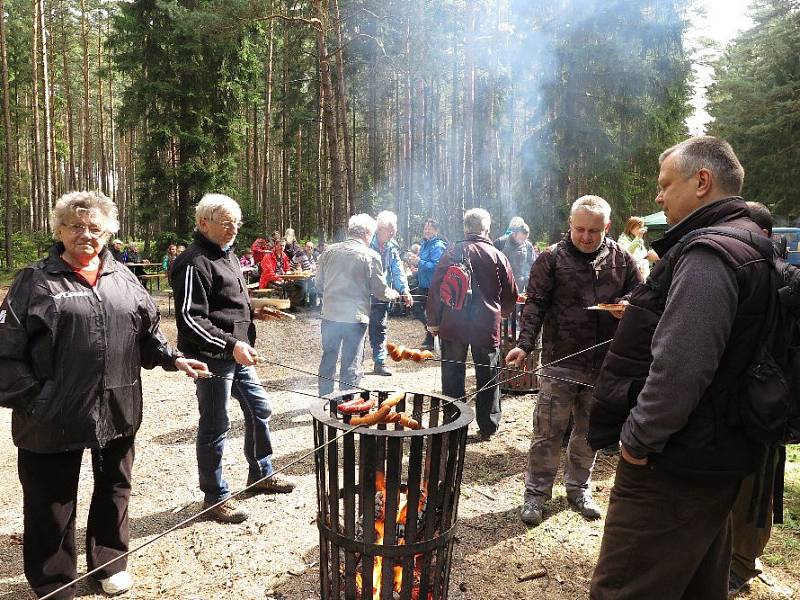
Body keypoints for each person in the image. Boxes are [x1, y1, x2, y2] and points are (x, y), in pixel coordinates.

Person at [588, 136, 771, 599]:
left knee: (623, 589)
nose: (658, 196)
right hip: (717, 456)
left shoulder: (709, 253)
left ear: (703, 182)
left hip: (674, 465)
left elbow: (681, 370)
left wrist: (637, 442)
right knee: (695, 585)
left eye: (666, 184)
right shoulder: (753, 243)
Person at [0, 191, 206, 600]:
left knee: (115, 487)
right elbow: (6, 351)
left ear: (109, 232)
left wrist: (173, 358)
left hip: (118, 406)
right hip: (50, 415)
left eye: (95, 228)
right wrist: (36, 399)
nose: (85, 235)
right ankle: (54, 579)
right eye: (76, 226)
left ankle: (110, 562)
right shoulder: (35, 280)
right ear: (59, 230)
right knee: (51, 500)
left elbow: (146, 334)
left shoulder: (124, 277)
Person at [505, 195, 642, 527]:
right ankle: (535, 494)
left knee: (588, 433)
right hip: (559, 361)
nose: (585, 236)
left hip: (604, 365)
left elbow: (642, 294)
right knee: (548, 432)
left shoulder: (623, 259)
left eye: (593, 231)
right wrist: (524, 346)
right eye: (580, 229)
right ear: (570, 224)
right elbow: (534, 304)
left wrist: (626, 304)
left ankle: (578, 490)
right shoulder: (551, 258)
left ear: (606, 227)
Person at [172, 193, 296, 525]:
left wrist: (256, 311)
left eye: (236, 224)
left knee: (260, 408)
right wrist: (231, 345)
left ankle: (261, 472)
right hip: (211, 358)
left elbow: (228, 304)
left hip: (236, 354)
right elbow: (191, 319)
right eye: (226, 223)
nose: (233, 229)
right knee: (216, 424)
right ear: (203, 223)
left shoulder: (228, 256)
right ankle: (214, 496)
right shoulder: (192, 262)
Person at [427, 208, 517, 440]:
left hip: (453, 323)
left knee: (452, 374)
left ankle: (454, 422)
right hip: (485, 326)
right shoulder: (497, 255)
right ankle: (488, 425)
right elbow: (510, 293)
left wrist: (434, 321)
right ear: (487, 229)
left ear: (465, 228)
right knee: (488, 375)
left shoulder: (451, 252)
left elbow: (436, 289)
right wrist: (504, 313)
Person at [729, 200, 777, 597]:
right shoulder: (749, 273)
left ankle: (743, 562)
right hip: (739, 404)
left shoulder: (779, 278)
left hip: (766, 406)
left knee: (755, 488)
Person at [315, 214, 399, 396]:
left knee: (328, 358)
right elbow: (381, 292)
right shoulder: (370, 255)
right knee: (351, 363)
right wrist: (393, 294)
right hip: (355, 318)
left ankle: (324, 401)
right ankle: (346, 405)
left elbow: (318, 284)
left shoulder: (328, 252)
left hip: (329, 316)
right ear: (368, 233)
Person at [368, 211, 414, 376]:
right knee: (358, 329)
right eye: (390, 229)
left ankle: (379, 363)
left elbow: (397, 270)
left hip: (382, 294)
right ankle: (354, 365)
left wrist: (404, 290)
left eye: (394, 229)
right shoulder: (367, 243)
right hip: (363, 294)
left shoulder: (392, 246)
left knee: (380, 328)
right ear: (379, 229)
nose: (393, 232)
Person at [408, 219, 447, 349]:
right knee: (416, 308)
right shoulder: (424, 244)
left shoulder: (438, 246)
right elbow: (425, 264)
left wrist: (419, 262)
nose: (426, 230)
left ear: (436, 231)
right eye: (425, 228)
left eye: (429, 228)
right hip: (423, 284)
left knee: (433, 313)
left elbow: (437, 266)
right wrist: (417, 270)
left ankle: (433, 338)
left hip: (434, 286)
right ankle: (432, 333)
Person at [500, 222, 537, 291]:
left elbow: (532, 265)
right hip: (504, 281)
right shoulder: (501, 242)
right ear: (514, 234)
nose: (523, 241)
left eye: (525, 239)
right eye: (521, 238)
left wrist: (528, 281)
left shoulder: (528, 246)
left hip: (520, 284)